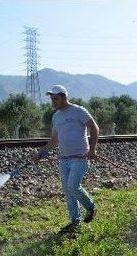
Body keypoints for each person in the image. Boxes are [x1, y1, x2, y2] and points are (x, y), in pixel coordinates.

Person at [34, 85, 99, 235]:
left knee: (73, 187)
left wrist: (92, 149)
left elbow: (94, 128)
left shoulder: (78, 111)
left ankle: (90, 206)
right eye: (51, 99)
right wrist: (41, 153)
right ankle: (75, 222)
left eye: (55, 98)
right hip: (64, 160)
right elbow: (54, 140)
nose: (53, 101)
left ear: (64, 97)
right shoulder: (56, 116)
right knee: (68, 192)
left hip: (80, 157)